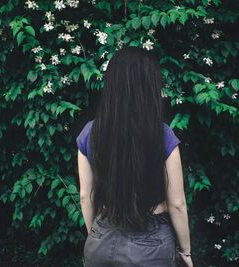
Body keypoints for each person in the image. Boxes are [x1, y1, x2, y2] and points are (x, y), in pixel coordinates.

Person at [76, 46, 193, 267]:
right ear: (148, 86)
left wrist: (97, 234)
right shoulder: (163, 135)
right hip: (151, 245)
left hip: (101, 238)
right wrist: (185, 251)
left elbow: (86, 196)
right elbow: (177, 203)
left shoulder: (90, 133)